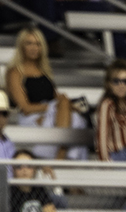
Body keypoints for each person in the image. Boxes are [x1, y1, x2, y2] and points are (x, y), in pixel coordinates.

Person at [5, 28, 85, 161]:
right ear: (21, 46)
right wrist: (52, 107)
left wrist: (59, 103)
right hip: (30, 117)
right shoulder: (15, 72)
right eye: (29, 43)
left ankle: (62, 153)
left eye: (38, 44)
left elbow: (55, 97)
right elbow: (25, 107)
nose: (34, 47)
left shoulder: (45, 71)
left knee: (71, 111)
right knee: (68, 110)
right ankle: (61, 155)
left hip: (51, 114)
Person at [95, 61, 126, 162]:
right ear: (109, 83)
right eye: (116, 81)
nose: (121, 85)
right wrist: (107, 165)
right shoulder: (107, 105)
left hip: (125, 154)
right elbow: (102, 138)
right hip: (113, 157)